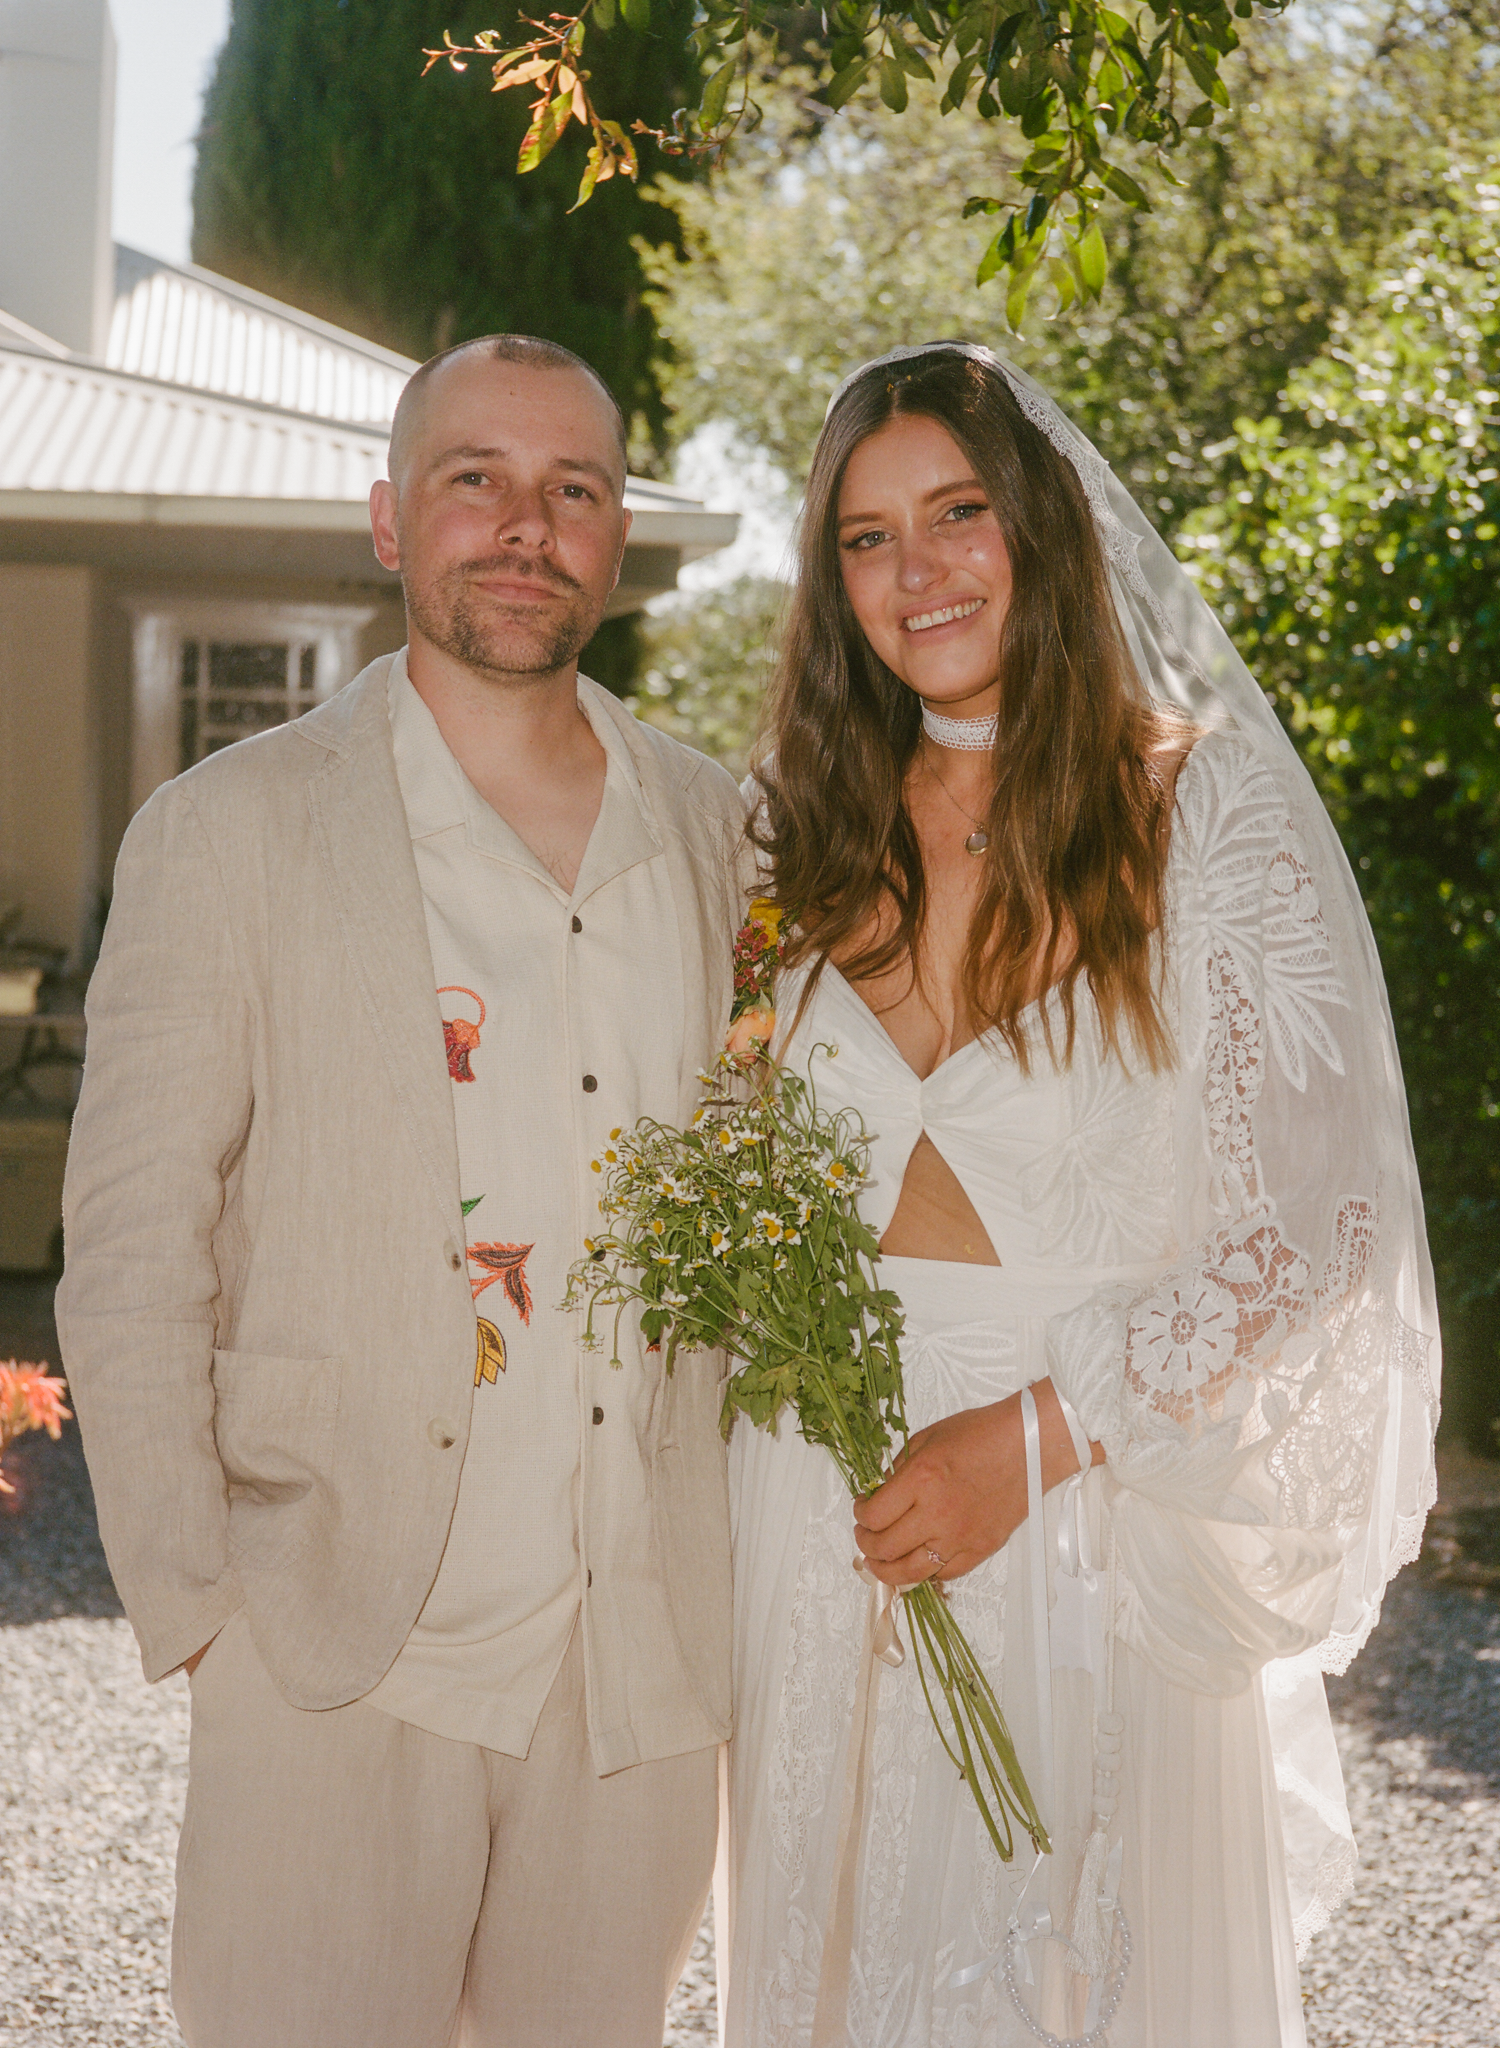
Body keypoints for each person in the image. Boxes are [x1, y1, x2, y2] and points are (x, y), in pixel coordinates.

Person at [723, 344, 1439, 2048]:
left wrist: (1034, 1441)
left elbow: (1319, 1229)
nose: (918, 570)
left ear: (1041, 525)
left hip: (1078, 1512)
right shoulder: (797, 839)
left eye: (958, 512)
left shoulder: (1198, 810)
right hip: (817, 1513)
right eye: (867, 538)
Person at [57, 334, 746, 2048]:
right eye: (474, 479)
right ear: (388, 521)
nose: (526, 524)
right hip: (338, 1650)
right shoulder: (231, 829)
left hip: (638, 1673)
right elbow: (133, 1248)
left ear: (617, 536)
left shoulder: (727, 838)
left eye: (573, 489)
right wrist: (205, 1613)